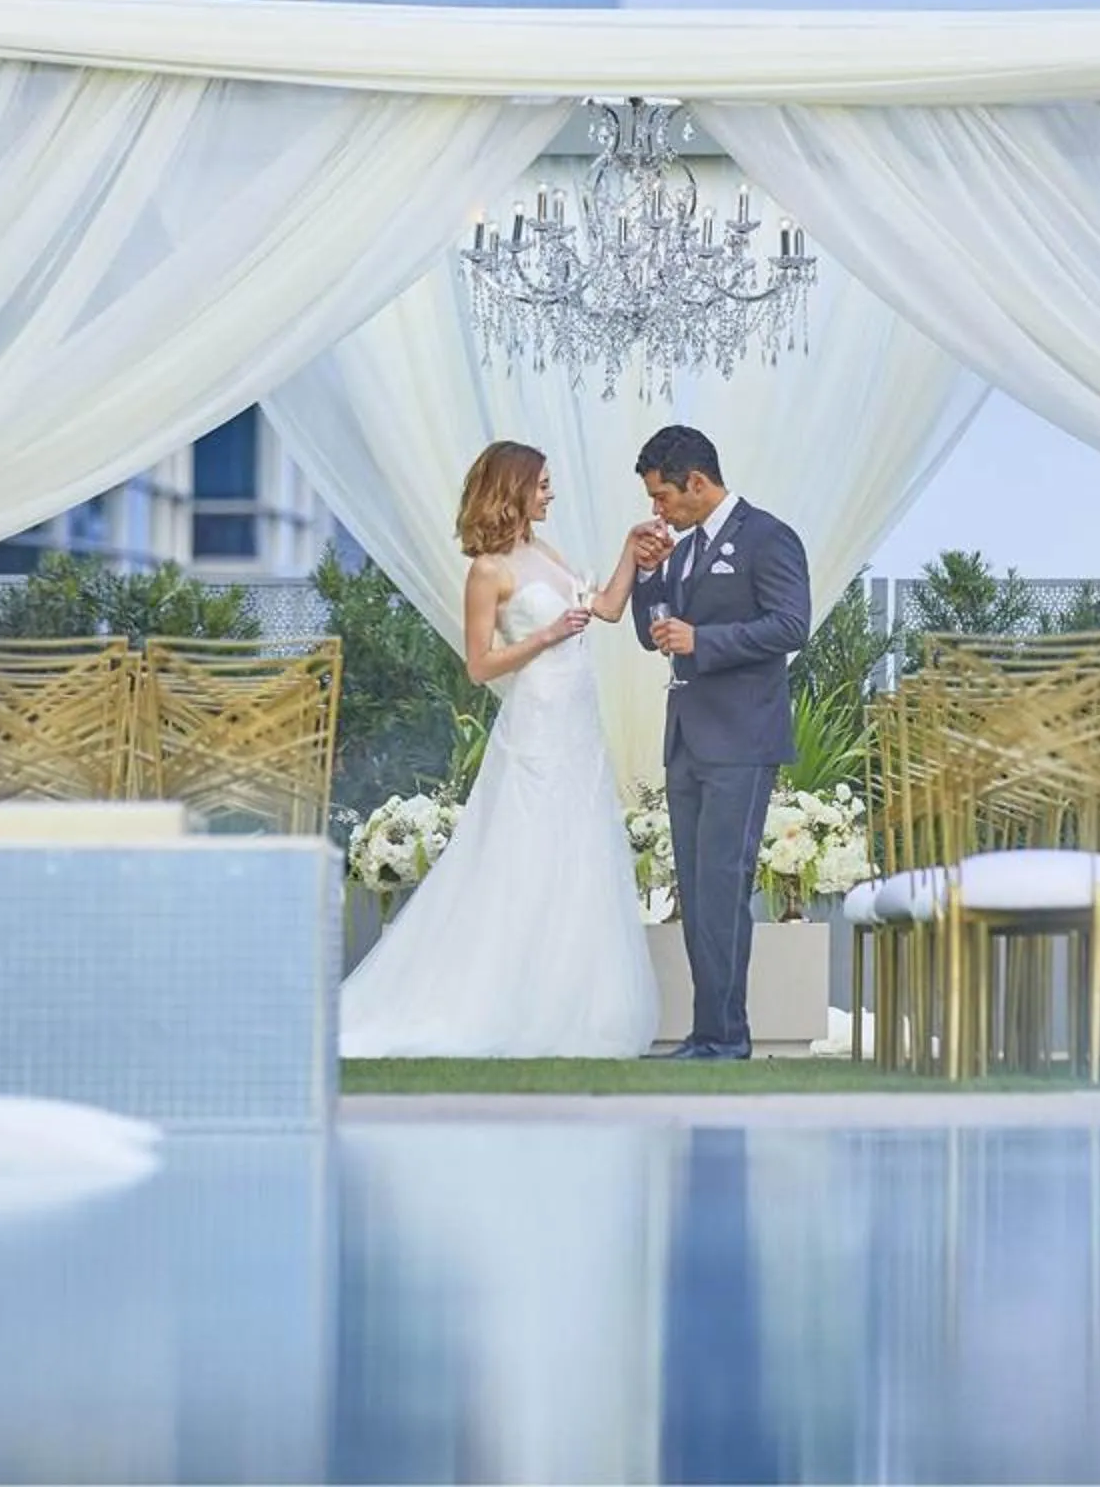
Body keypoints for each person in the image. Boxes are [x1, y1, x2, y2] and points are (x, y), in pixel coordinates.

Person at [338, 441, 660, 1059]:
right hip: (537, 723)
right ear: (512, 489)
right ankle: (500, 1000)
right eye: (541, 484)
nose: (549, 493)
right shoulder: (489, 570)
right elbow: (480, 666)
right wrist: (543, 636)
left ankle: (575, 1007)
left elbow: (609, 609)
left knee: (580, 857)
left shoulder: (543, 552)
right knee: (524, 855)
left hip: (579, 726)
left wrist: (630, 549)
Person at [629, 426, 812, 1061]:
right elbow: (653, 634)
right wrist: (650, 577)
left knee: (723, 887)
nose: (659, 510)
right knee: (697, 889)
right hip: (685, 740)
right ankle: (709, 1032)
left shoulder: (768, 537)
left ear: (697, 484)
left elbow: (792, 625)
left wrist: (705, 641)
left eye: (663, 497)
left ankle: (725, 1037)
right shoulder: (681, 549)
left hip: (741, 739)